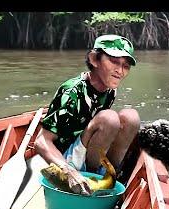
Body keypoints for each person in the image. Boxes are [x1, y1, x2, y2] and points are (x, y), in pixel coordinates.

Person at [34, 34, 140, 195]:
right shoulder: (72, 91)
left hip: (89, 149)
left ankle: (110, 175)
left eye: (126, 66)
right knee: (109, 119)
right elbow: (41, 141)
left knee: (131, 117)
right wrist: (67, 171)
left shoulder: (110, 89)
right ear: (94, 60)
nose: (120, 71)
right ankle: (91, 177)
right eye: (114, 61)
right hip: (67, 159)